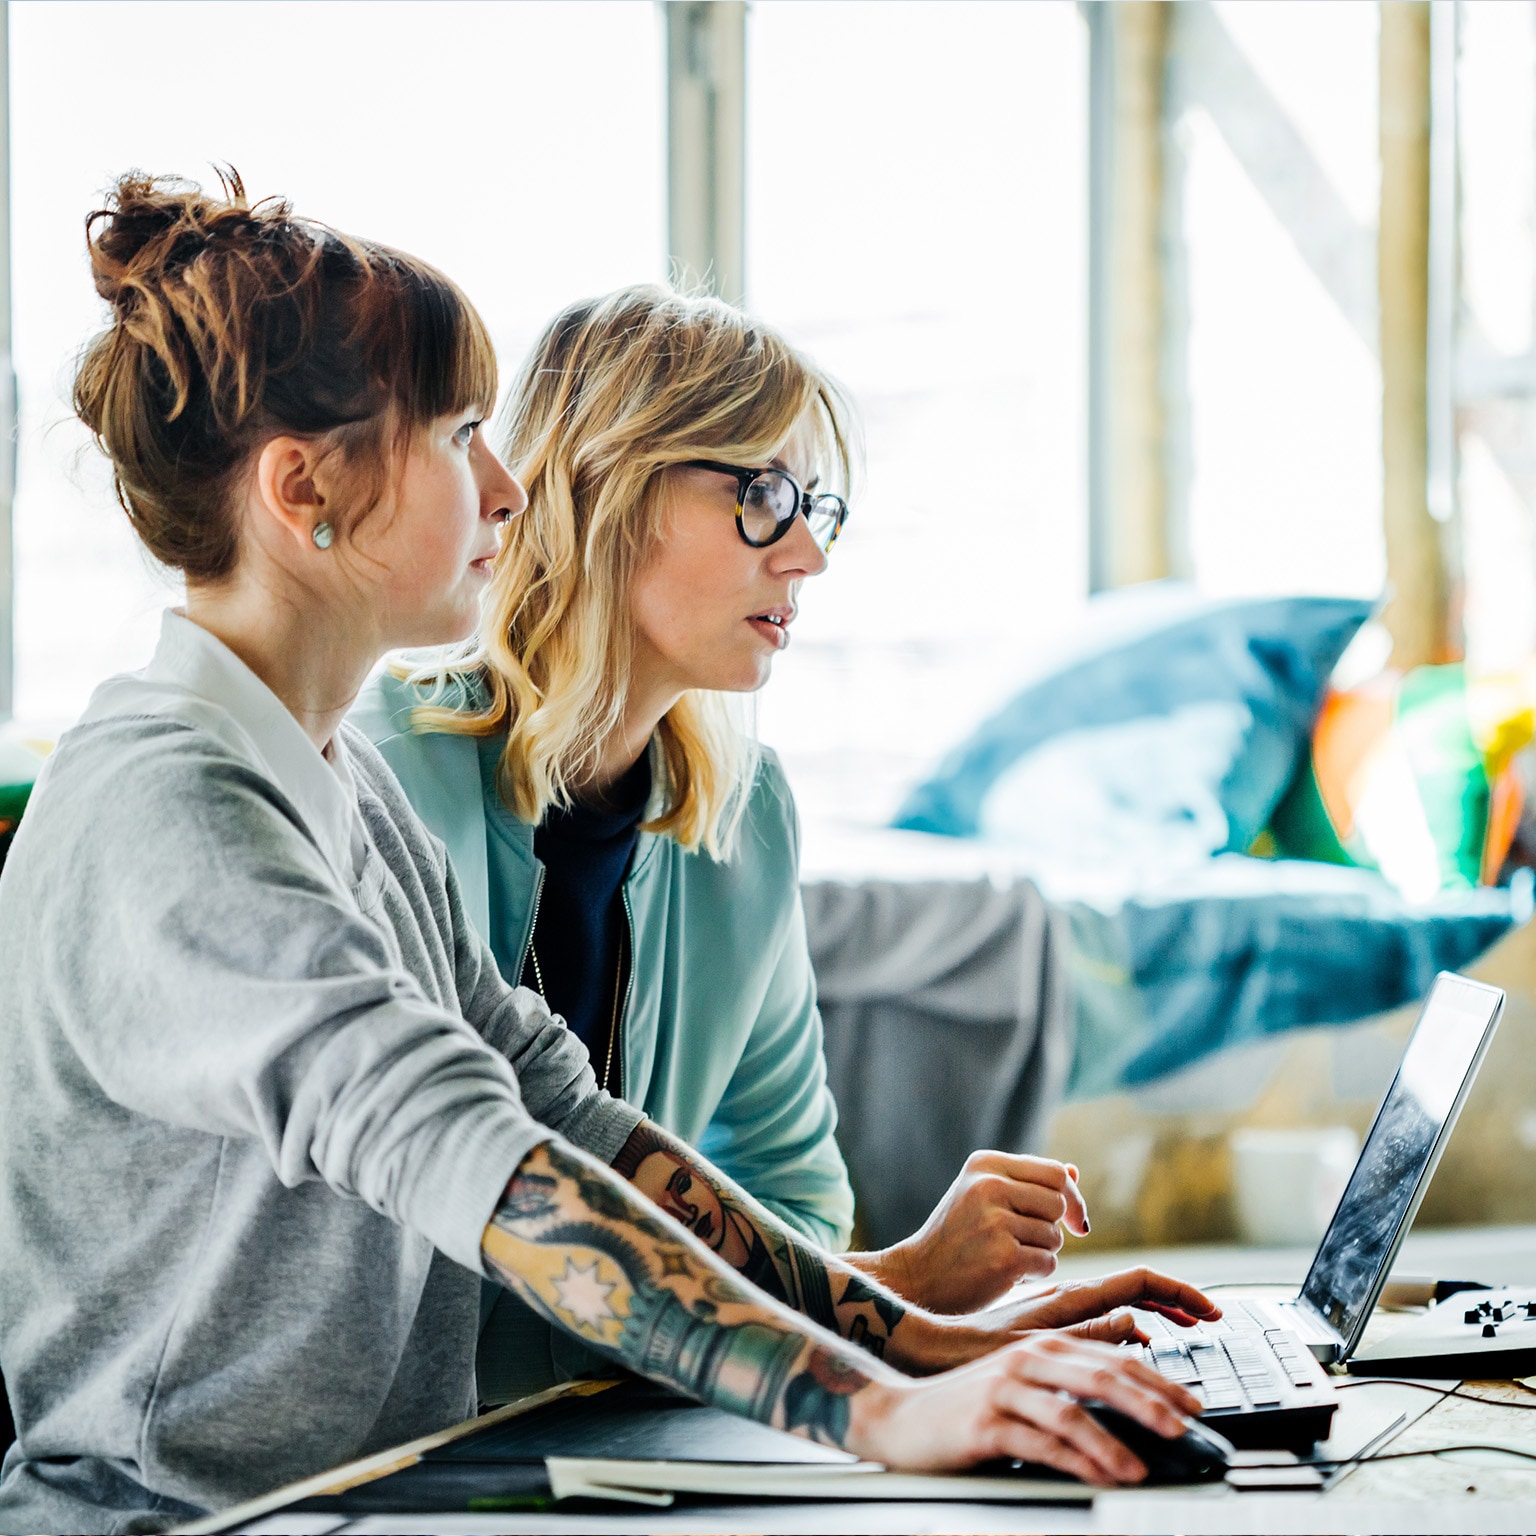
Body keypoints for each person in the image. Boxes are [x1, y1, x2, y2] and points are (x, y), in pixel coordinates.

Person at [0, 174, 1211, 1533]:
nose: (511, 486)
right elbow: (465, 1147)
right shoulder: (171, 807)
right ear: (306, 490)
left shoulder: (330, 784)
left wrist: (909, 1333)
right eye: (460, 436)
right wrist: (875, 1409)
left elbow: (557, 1113)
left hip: (374, 1502)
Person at [355, 287, 1219, 1398]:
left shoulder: (743, 813)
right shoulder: (382, 772)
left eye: (817, 504)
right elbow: (423, 1243)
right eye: (763, 495)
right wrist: (900, 1303)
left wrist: (903, 1305)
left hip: (619, 1433)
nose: (807, 551)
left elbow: (797, 1198)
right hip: (417, 1454)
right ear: (606, 487)